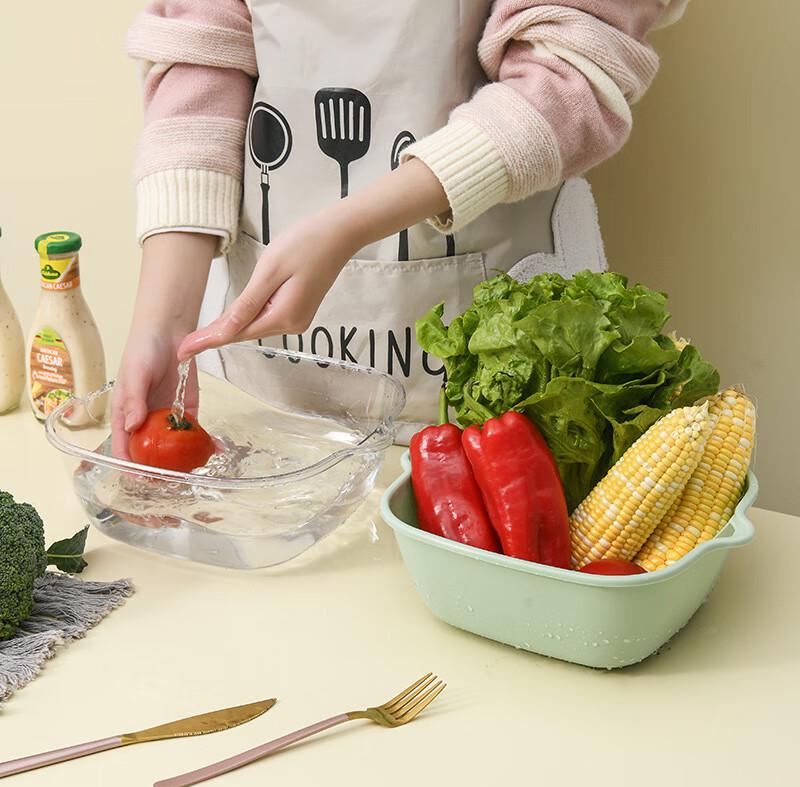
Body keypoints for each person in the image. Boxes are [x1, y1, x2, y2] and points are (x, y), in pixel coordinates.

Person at [113, 0, 690, 452]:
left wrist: (350, 224)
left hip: (494, 340)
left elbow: (570, 76)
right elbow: (201, 56)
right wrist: (164, 325)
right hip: (262, 377)